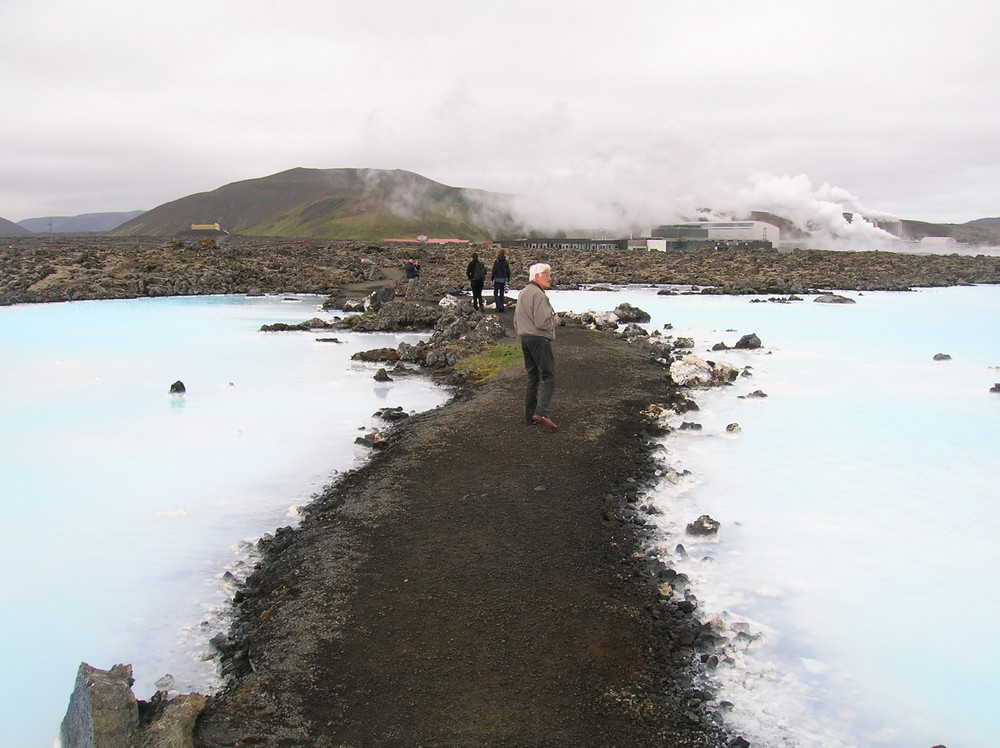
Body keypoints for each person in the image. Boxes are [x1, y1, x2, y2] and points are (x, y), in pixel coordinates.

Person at [514, 262, 560, 430]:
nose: (550, 277)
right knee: (549, 377)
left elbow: (516, 319)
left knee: (532, 377)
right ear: (536, 276)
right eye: (546, 274)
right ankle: (541, 412)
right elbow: (542, 322)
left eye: (549, 274)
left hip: (525, 338)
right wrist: (555, 321)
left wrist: (523, 332)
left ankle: (530, 417)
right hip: (539, 340)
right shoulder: (539, 295)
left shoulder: (523, 293)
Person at [490, 247, 511, 312]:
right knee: (502, 293)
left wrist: (492, 278)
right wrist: (508, 279)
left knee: (495, 293)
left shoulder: (497, 261)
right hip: (504, 279)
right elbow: (508, 271)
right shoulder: (506, 261)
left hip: (497, 278)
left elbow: (494, 270)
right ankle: (501, 306)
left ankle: (499, 306)